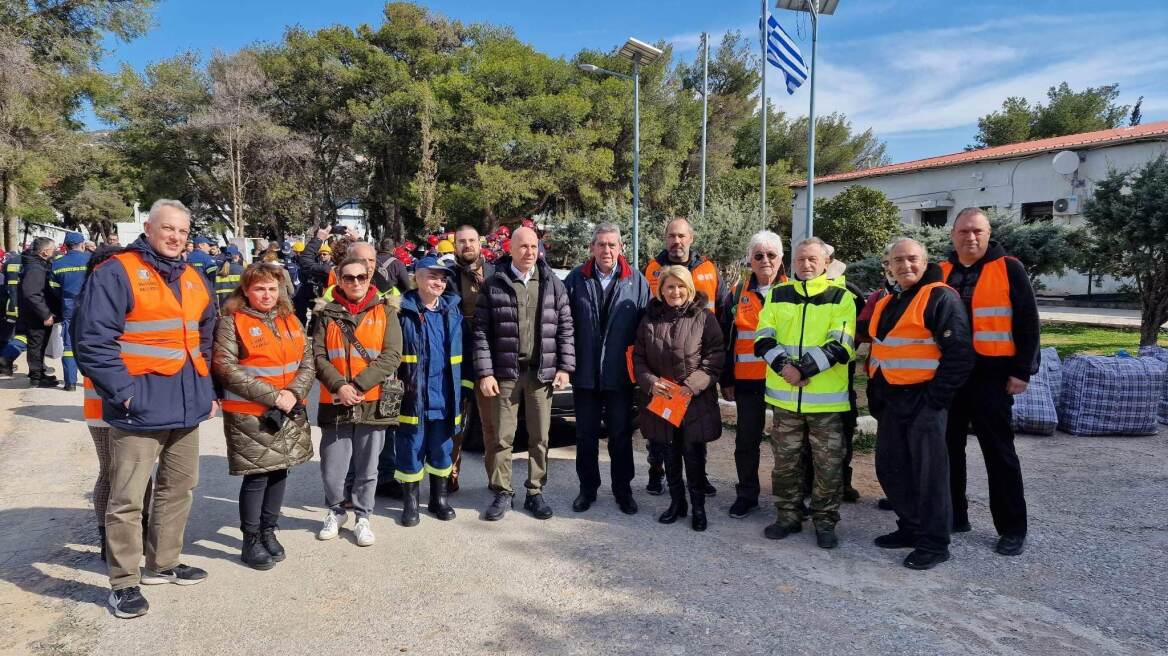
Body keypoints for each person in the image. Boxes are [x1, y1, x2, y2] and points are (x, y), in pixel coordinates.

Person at [74, 199, 218, 619]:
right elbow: (93, 342)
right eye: (168, 229)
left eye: (183, 232)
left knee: (178, 490)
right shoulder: (117, 272)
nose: (176, 238)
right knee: (128, 498)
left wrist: (206, 388)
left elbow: (204, 335)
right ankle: (123, 583)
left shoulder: (194, 277)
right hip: (139, 408)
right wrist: (126, 393)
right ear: (149, 229)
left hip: (187, 405)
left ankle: (164, 563)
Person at [867, 237, 974, 570]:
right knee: (891, 468)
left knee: (930, 475)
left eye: (912, 259)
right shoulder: (889, 301)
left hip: (924, 400)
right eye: (897, 260)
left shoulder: (939, 296)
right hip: (891, 401)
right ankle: (910, 527)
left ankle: (934, 542)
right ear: (889, 266)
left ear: (926, 262)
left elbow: (959, 354)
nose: (905, 266)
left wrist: (935, 401)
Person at [940, 208, 1039, 556]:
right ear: (953, 235)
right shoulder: (941, 272)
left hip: (992, 376)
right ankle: (955, 515)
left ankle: (1012, 528)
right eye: (964, 231)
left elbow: (1028, 320)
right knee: (948, 448)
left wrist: (1022, 371)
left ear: (988, 233)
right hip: (951, 375)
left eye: (977, 231)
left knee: (999, 452)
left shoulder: (1009, 267)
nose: (971, 237)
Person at [752, 238, 856, 549]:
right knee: (785, 462)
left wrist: (804, 369)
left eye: (812, 259)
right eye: (800, 260)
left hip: (825, 401)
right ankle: (788, 515)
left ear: (826, 263)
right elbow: (762, 335)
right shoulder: (778, 294)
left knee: (827, 465)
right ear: (792, 263)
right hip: (785, 399)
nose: (806, 265)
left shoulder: (841, 297)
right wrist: (785, 366)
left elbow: (842, 344)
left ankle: (825, 520)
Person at [212, 263, 315, 570]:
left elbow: (306, 361)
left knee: (281, 470)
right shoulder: (232, 322)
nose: (267, 295)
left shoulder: (290, 319)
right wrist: (275, 397)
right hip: (252, 414)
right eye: (260, 288)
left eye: (272, 288)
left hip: (288, 410)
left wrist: (293, 394)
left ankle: (269, 530)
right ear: (246, 290)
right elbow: (226, 368)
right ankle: (251, 538)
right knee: (257, 476)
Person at [473, 226, 575, 521]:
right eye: (523, 247)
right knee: (502, 437)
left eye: (534, 247)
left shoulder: (552, 283)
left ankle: (535, 491)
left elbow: (565, 327)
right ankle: (503, 491)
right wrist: (486, 373)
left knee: (540, 436)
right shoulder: (494, 284)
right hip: (505, 375)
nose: (529, 252)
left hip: (540, 375)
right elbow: (480, 332)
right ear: (511, 249)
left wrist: (565, 367)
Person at [312, 255, 402, 547]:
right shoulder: (326, 314)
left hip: (372, 400)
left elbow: (391, 355)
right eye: (348, 278)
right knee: (332, 467)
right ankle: (336, 511)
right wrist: (340, 386)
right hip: (335, 400)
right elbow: (318, 356)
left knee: (367, 467)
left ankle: (363, 516)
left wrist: (359, 384)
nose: (355, 283)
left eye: (361, 277)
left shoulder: (386, 312)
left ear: (369, 279)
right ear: (339, 280)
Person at [564, 223, 649, 515]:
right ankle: (587, 489)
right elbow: (564, 325)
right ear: (592, 248)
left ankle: (623, 491)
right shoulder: (576, 279)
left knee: (620, 435)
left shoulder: (636, 281)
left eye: (612, 245)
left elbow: (645, 330)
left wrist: (641, 371)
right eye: (601, 244)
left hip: (620, 376)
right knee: (585, 436)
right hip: (585, 374)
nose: (606, 250)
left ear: (621, 248)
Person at [641, 217, 730, 497]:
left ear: (690, 237)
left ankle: (698, 477)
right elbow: (647, 318)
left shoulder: (709, 269)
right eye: (671, 236)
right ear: (665, 238)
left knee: (695, 434)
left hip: (696, 370)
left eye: (681, 236)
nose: (676, 241)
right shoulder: (652, 269)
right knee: (659, 432)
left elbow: (724, 315)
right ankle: (657, 473)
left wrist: (711, 372)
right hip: (662, 372)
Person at [633, 266, 724, 532]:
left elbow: (715, 356)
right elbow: (638, 358)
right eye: (670, 286)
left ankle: (698, 507)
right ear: (661, 290)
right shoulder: (649, 320)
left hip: (693, 401)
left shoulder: (704, 318)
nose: (676, 292)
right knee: (669, 454)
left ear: (690, 288)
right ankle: (677, 503)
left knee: (693, 456)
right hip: (663, 400)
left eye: (681, 286)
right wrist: (651, 382)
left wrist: (692, 385)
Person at [78, 245, 152, 563]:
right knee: (111, 473)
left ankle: (140, 532)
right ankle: (108, 539)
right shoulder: (93, 306)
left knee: (140, 472)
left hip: (133, 403)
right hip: (104, 405)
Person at [393, 254, 462, 526]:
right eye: (432, 276)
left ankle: (438, 500)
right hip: (413, 395)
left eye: (443, 278)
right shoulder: (402, 310)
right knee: (410, 447)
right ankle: (410, 504)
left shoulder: (452, 310)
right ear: (417, 277)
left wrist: (463, 391)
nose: (439, 282)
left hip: (445, 395)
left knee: (441, 449)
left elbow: (461, 356)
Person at [723, 231, 785, 519]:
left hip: (787, 381)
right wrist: (727, 379)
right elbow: (727, 337)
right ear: (750, 259)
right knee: (746, 441)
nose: (765, 261)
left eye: (771, 255)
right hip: (748, 380)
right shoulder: (737, 293)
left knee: (789, 442)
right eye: (758, 255)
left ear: (781, 258)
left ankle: (790, 499)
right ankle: (747, 495)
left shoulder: (794, 291)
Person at [448, 224, 495, 492]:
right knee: (455, 422)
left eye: (472, 241)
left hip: (489, 358)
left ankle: (496, 481)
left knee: (491, 424)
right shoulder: (448, 277)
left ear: (480, 244)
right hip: (458, 359)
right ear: (455, 246)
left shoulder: (496, 274)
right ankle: (449, 477)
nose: (467, 245)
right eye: (462, 241)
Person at [51, 232, 91, 391]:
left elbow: (54, 288)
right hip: (91, 306)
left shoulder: (58, 264)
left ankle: (70, 383)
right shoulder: (91, 259)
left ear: (65, 246)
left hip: (69, 306)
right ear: (82, 245)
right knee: (94, 342)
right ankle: (94, 382)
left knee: (69, 346)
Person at [18, 237, 60, 388]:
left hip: (38, 312)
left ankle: (39, 373)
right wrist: (45, 314)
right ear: (44, 252)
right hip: (36, 315)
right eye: (53, 249)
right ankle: (36, 377)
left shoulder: (39, 265)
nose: (55, 251)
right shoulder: (36, 268)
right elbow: (32, 293)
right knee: (37, 344)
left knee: (39, 345)